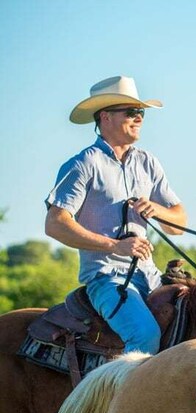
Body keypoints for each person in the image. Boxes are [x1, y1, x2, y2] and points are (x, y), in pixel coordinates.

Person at [45, 75, 187, 354]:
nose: (139, 118)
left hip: (151, 276)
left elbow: (179, 223)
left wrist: (156, 210)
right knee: (145, 337)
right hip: (107, 279)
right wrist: (115, 246)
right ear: (105, 117)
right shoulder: (83, 164)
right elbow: (55, 224)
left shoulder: (148, 162)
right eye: (132, 112)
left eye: (141, 113)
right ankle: (128, 399)